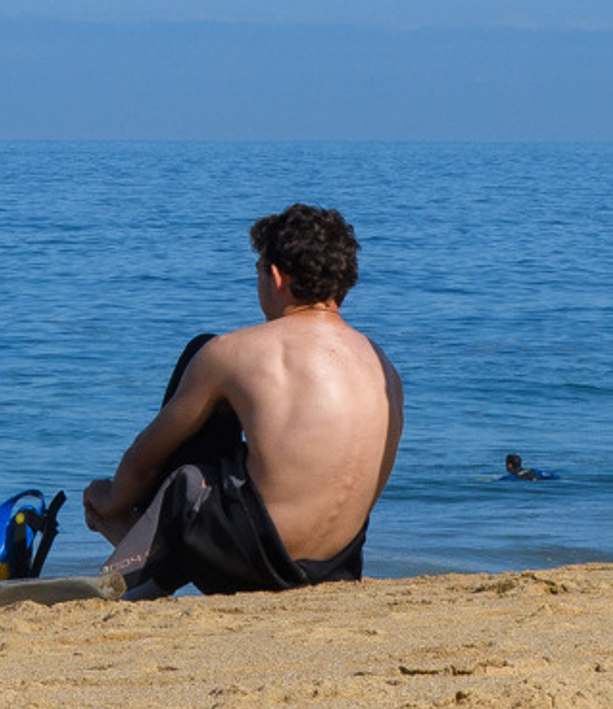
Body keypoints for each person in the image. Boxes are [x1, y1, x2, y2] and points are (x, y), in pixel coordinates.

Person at [84, 204, 403, 598]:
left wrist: (110, 499)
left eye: (257, 271)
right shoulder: (383, 366)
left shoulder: (235, 352)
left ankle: (133, 562)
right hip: (335, 568)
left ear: (275, 276)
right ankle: (148, 551)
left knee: (189, 470)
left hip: (253, 564)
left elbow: (144, 459)